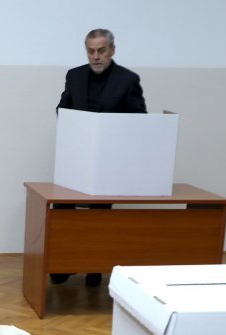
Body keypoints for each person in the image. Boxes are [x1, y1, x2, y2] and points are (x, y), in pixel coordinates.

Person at [51, 28, 147, 287]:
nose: (96, 56)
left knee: (99, 217)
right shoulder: (74, 75)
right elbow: (63, 108)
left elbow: (139, 119)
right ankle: (63, 264)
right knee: (63, 211)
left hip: (110, 162)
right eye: (91, 51)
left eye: (101, 51)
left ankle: (94, 267)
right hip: (77, 158)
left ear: (112, 50)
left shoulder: (127, 80)